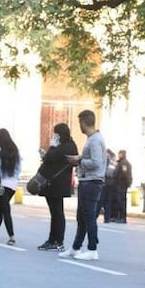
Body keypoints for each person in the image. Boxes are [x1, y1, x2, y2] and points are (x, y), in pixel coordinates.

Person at [59, 109, 106, 261]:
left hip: (92, 181)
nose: (79, 126)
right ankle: (75, 247)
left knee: (89, 216)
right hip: (86, 180)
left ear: (85, 123)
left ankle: (92, 248)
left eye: (80, 123)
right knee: (82, 216)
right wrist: (79, 157)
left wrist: (79, 161)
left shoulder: (95, 140)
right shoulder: (92, 139)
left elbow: (96, 162)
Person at [37, 122, 78, 252]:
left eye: (55, 134)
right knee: (55, 213)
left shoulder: (65, 146)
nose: (54, 136)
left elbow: (50, 157)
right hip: (57, 183)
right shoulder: (70, 145)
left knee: (57, 213)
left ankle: (57, 241)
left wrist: (52, 146)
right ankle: (52, 239)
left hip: (56, 183)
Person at [113, 150, 132, 223]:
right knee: (119, 201)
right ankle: (119, 216)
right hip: (120, 184)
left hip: (121, 184)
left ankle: (122, 217)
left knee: (121, 201)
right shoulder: (120, 162)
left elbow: (124, 174)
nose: (118, 155)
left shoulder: (124, 163)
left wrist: (125, 182)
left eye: (120, 154)